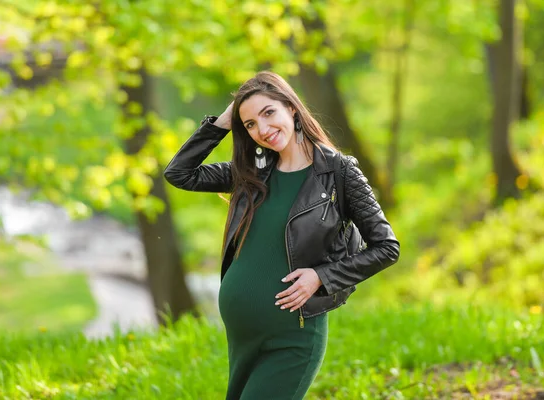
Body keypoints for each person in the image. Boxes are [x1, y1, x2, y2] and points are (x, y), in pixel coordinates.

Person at [163, 71, 400, 400]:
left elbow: (387, 247)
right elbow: (180, 173)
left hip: (293, 336)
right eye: (249, 124)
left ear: (291, 108)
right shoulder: (251, 173)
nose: (262, 130)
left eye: (268, 113)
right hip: (244, 337)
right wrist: (223, 121)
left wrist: (322, 276)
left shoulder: (339, 173)